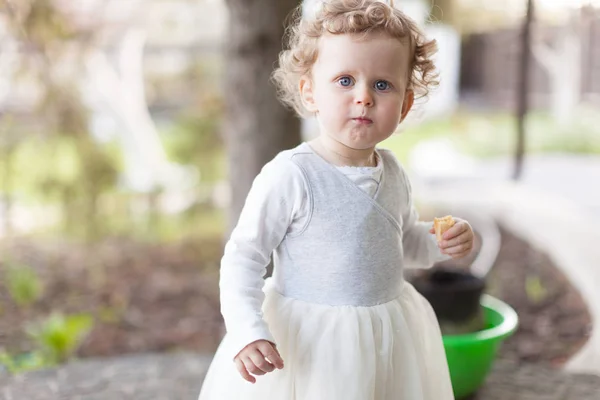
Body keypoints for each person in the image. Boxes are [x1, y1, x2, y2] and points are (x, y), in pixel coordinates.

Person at [198, 1, 474, 399]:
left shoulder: (393, 171)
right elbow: (244, 257)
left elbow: (401, 243)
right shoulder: (292, 175)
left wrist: (438, 240)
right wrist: (247, 330)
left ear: (406, 104)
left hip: (386, 337)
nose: (363, 97)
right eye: (345, 80)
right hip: (313, 344)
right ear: (310, 92)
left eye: (382, 85)